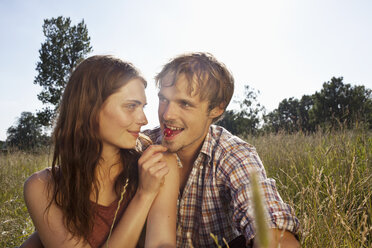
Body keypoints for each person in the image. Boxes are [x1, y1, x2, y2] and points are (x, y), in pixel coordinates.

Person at [142, 52, 300, 247]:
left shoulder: (232, 153)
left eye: (184, 103)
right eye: (163, 99)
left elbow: (267, 222)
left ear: (216, 109)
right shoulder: (143, 145)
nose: (167, 114)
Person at [21, 55, 179, 248]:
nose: (144, 119)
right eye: (131, 106)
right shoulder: (42, 186)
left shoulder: (157, 165)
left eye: (142, 107)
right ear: (90, 109)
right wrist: (143, 195)